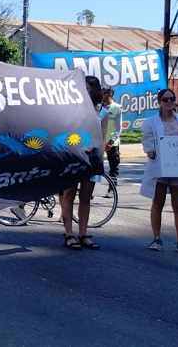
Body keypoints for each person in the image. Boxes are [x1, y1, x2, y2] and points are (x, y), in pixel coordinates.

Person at [140, 88, 178, 255]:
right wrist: (149, 150)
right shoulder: (152, 121)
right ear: (159, 102)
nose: (169, 102)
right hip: (160, 167)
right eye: (165, 100)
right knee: (157, 203)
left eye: (172, 99)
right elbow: (147, 140)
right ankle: (156, 238)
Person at [60, 76, 105, 251]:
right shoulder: (71, 108)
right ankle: (69, 234)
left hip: (92, 158)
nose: (86, 90)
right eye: (84, 87)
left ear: (95, 90)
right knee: (68, 195)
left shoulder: (102, 111)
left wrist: (100, 159)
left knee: (86, 197)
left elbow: (102, 136)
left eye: (89, 88)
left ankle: (83, 234)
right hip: (73, 155)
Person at [100, 86, 122, 198]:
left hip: (112, 143)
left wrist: (110, 142)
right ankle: (89, 191)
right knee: (95, 166)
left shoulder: (117, 108)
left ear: (109, 95)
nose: (101, 95)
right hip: (99, 141)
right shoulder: (99, 108)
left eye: (103, 93)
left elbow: (118, 128)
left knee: (114, 166)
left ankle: (111, 189)